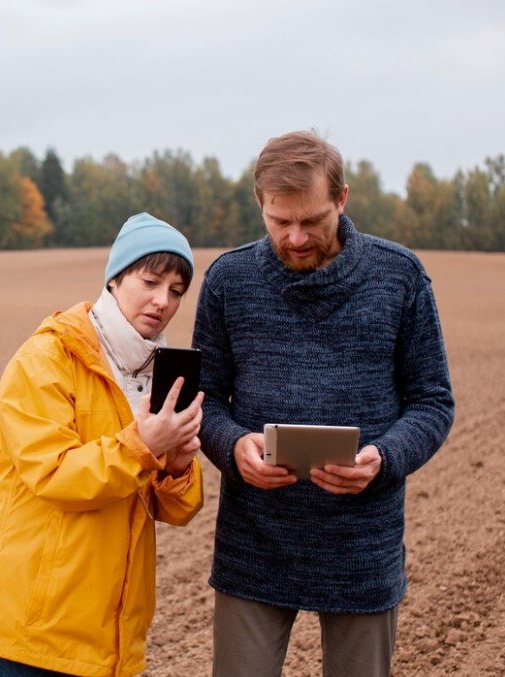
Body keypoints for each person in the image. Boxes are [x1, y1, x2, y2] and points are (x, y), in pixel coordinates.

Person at [192, 130, 455, 676]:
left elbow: (432, 401)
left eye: (311, 221)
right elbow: (206, 400)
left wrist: (384, 459)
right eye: (279, 221)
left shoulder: (398, 276)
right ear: (259, 204)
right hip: (255, 545)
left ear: (342, 198)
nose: (295, 238)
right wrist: (231, 444)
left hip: (363, 547)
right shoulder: (228, 281)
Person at [0, 213, 205, 677]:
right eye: (150, 280)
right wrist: (141, 446)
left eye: (175, 291)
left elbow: (176, 510)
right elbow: (56, 475)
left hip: (105, 641)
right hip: (28, 634)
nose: (162, 301)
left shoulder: (152, 373)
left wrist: (177, 467)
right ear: (114, 279)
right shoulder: (46, 359)